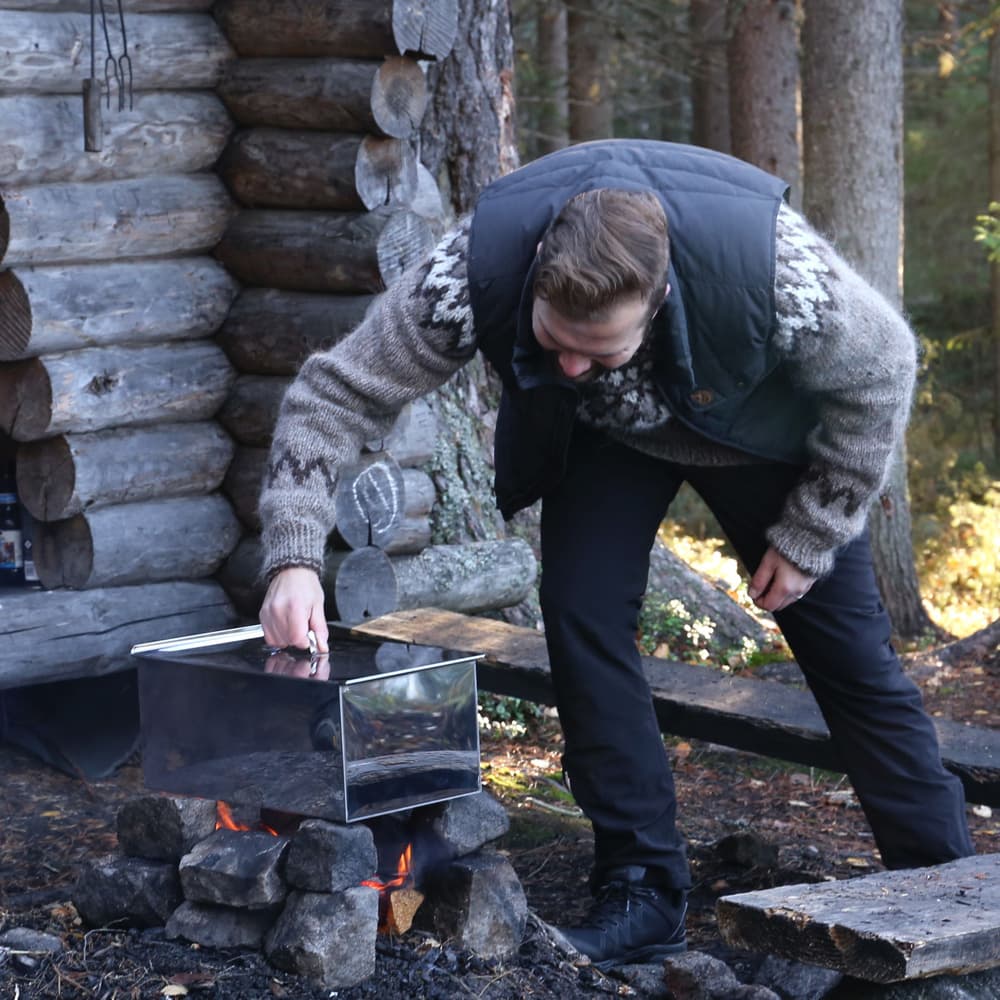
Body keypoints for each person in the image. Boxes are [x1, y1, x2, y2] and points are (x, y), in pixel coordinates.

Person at [258, 139, 975, 969]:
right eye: (553, 340)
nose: (568, 362)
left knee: (848, 656)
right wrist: (294, 558)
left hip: (764, 438)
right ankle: (640, 885)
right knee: (581, 617)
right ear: (534, 276)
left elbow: (885, 365)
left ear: (657, 298)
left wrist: (813, 530)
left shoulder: (776, 273)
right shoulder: (468, 273)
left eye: (597, 349)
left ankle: (946, 886)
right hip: (605, 436)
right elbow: (333, 391)